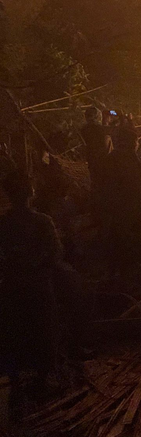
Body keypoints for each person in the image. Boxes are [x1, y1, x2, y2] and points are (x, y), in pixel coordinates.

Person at [0, 170, 61, 401]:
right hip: (37, 285)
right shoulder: (42, 222)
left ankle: (15, 379)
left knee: (13, 331)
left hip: (12, 285)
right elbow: (54, 254)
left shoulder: (3, 224)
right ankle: (43, 377)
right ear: (31, 192)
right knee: (42, 328)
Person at [98, 126, 141, 279]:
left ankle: (116, 272)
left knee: (117, 239)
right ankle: (124, 274)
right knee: (125, 240)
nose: (137, 144)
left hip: (117, 206)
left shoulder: (114, 157)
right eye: (136, 141)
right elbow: (135, 184)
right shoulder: (128, 159)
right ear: (131, 142)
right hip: (125, 206)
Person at [81, 107, 112, 217]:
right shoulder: (101, 130)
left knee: (95, 185)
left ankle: (95, 211)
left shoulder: (84, 129)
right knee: (102, 187)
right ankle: (100, 212)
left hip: (91, 162)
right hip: (102, 163)